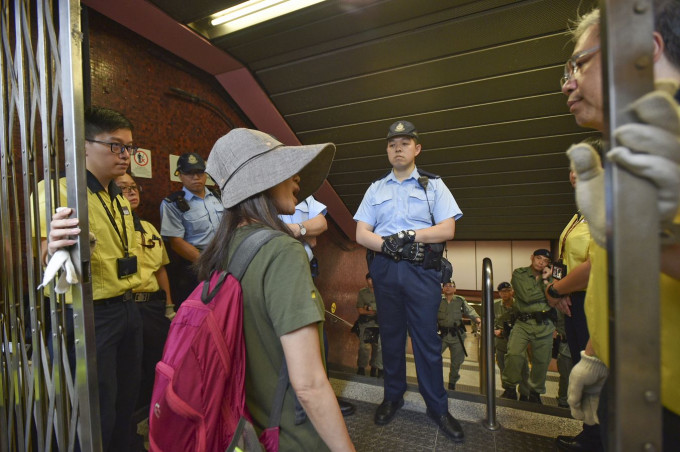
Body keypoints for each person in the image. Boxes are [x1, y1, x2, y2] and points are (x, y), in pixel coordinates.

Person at [547, 3, 680, 450]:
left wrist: (649, 240)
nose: (568, 83)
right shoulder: (621, 165)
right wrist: (595, 356)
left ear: (644, 50)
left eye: (579, 64)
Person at [195, 128, 354, 451]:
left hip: (243, 427)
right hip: (288, 434)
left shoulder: (223, 249)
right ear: (262, 180)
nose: (297, 180)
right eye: (286, 172)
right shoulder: (283, 251)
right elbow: (309, 385)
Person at [354, 120, 464, 442]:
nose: (397, 148)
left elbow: (447, 229)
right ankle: (393, 397)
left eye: (404, 143)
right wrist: (385, 244)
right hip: (386, 270)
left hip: (421, 271)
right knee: (390, 338)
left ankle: (438, 407)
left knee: (426, 341)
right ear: (387, 150)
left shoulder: (433, 186)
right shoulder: (376, 189)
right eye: (392, 144)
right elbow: (361, 232)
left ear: (417, 148)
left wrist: (408, 235)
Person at [44, 107, 143, 451]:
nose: (126, 155)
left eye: (130, 147)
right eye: (116, 146)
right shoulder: (58, 191)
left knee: (127, 401)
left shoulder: (119, 198)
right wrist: (52, 247)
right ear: (84, 145)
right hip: (91, 315)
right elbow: (41, 257)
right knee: (94, 409)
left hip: (129, 309)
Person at [279, 196, 356, 416]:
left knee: (316, 334)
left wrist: (294, 230)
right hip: (277, 270)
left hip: (304, 270)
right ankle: (295, 403)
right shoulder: (263, 194)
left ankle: (323, 400)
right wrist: (305, 232)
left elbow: (321, 224)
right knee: (288, 337)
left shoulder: (306, 196)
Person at [114, 173, 175, 415]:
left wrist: (169, 306)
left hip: (152, 307)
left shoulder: (148, 227)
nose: (131, 192)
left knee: (156, 363)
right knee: (129, 370)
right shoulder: (111, 229)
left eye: (134, 187)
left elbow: (160, 269)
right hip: (125, 305)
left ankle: (154, 415)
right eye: (123, 189)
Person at [160, 152, 223, 307]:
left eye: (200, 173)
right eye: (189, 173)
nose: (196, 178)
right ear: (180, 175)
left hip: (227, 260)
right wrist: (208, 264)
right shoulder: (173, 204)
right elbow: (176, 242)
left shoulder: (219, 197)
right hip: (197, 267)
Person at [500, 249, 555, 404]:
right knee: (514, 355)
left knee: (541, 361)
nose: (541, 262)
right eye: (538, 258)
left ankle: (535, 393)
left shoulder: (552, 276)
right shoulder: (520, 273)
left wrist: (549, 284)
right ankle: (510, 388)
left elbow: (558, 297)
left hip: (544, 323)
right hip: (522, 323)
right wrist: (548, 287)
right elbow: (526, 296)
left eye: (545, 260)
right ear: (532, 258)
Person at [437, 279, 480, 390]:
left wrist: (478, 320)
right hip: (442, 335)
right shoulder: (437, 300)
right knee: (434, 358)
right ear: (442, 288)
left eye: (451, 285)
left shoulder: (460, 300)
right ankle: (435, 381)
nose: (448, 287)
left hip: (457, 337)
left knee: (456, 362)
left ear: (455, 289)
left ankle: (452, 384)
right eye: (445, 285)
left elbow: (470, 311)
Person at [493, 282, 530, 399]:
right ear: (499, 293)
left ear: (512, 291)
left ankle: (525, 393)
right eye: (502, 292)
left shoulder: (519, 305)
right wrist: (494, 330)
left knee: (523, 367)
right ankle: (509, 390)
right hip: (501, 341)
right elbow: (488, 321)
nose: (505, 294)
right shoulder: (495, 305)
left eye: (507, 291)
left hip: (519, 341)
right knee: (503, 367)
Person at [355, 273, 383, 377]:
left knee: (378, 347)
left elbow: (384, 309)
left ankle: (375, 368)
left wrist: (369, 308)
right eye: (369, 279)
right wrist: (371, 311)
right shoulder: (363, 292)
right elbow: (360, 310)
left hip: (379, 323)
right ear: (367, 280)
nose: (372, 281)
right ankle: (361, 368)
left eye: (373, 279)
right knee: (364, 347)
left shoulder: (382, 291)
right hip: (366, 323)